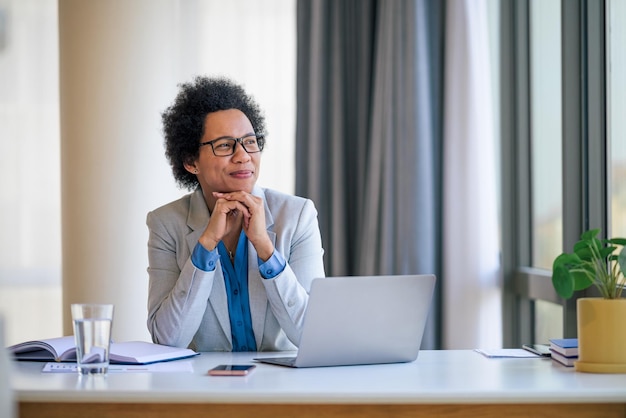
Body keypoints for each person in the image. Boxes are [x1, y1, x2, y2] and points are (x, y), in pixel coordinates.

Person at [146, 76, 325, 352]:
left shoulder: (298, 215)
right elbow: (168, 339)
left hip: (282, 388)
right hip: (207, 389)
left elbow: (313, 336)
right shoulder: (165, 224)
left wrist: (266, 249)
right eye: (225, 145)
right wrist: (205, 245)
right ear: (191, 161)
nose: (243, 156)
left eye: (250, 142)